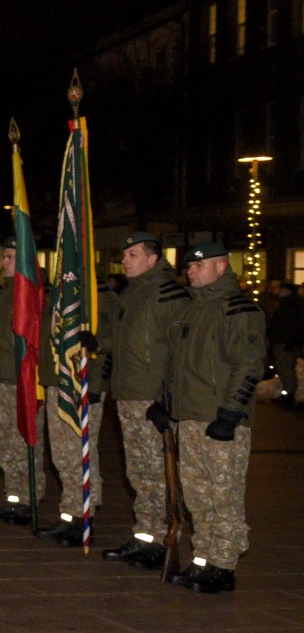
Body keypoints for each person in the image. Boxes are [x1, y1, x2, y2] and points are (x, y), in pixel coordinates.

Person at [167, 242, 267, 594]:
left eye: (199, 266)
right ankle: (203, 558)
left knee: (224, 495)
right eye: (189, 267)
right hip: (191, 415)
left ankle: (223, 564)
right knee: (197, 495)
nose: (191, 272)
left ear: (221, 267)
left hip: (220, 419)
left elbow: (249, 365)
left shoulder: (238, 309)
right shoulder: (193, 308)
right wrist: (168, 403)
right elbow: (179, 364)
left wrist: (230, 414)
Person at [100, 233, 190, 568]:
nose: (125, 260)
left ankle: (165, 538)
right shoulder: (131, 293)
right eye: (124, 255)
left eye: (133, 255)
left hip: (151, 398)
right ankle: (145, 536)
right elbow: (127, 343)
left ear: (153, 258)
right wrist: (98, 344)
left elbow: (179, 351)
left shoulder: (168, 294)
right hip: (128, 394)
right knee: (138, 472)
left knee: (158, 472)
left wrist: (166, 397)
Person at [33, 278, 112, 545]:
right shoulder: (60, 290)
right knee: (62, 455)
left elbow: (107, 341)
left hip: (80, 384)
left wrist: (96, 384)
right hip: (57, 381)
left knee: (81, 452)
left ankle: (83, 515)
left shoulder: (94, 293)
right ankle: (70, 513)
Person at [0, 238, 44, 523]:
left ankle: (29, 499)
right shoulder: (5, 292)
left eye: (10, 257)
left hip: (21, 379)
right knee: (6, 442)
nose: (4, 262)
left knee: (24, 440)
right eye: (4, 256)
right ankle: (13, 497)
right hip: (3, 377)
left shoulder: (31, 292)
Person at [267, 281, 301, 408]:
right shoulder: (287, 304)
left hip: (286, 342)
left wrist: (290, 342)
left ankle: (289, 395)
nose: (278, 291)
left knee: (286, 369)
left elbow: (292, 326)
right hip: (283, 341)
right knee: (283, 368)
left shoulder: (291, 305)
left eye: (281, 289)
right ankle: (287, 393)